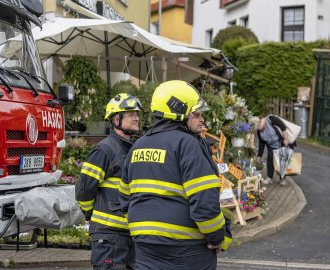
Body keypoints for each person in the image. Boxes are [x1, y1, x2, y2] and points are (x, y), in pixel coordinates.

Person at [118, 80, 229, 270]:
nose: (202, 119)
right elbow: (204, 201)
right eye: (196, 114)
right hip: (186, 249)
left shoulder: (138, 145)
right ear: (178, 112)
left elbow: (124, 197)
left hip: (145, 246)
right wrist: (217, 237)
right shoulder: (188, 144)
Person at [75, 93, 143, 270]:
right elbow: (83, 189)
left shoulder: (132, 149)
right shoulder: (105, 150)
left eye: (137, 114)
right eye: (131, 114)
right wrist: (91, 214)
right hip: (109, 236)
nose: (136, 118)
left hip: (129, 234)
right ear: (116, 119)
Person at [249, 115, 294, 186]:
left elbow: (283, 127)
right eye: (257, 130)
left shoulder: (271, 119)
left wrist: (286, 139)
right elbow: (262, 143)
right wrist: (259, 156)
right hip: (272, 146)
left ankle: (282, 179)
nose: (259, 130)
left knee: (282, 160)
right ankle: (269, 178)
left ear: (260, 122)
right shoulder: (259, 131)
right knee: (270, 158)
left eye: (259, 128)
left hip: (282, 143)